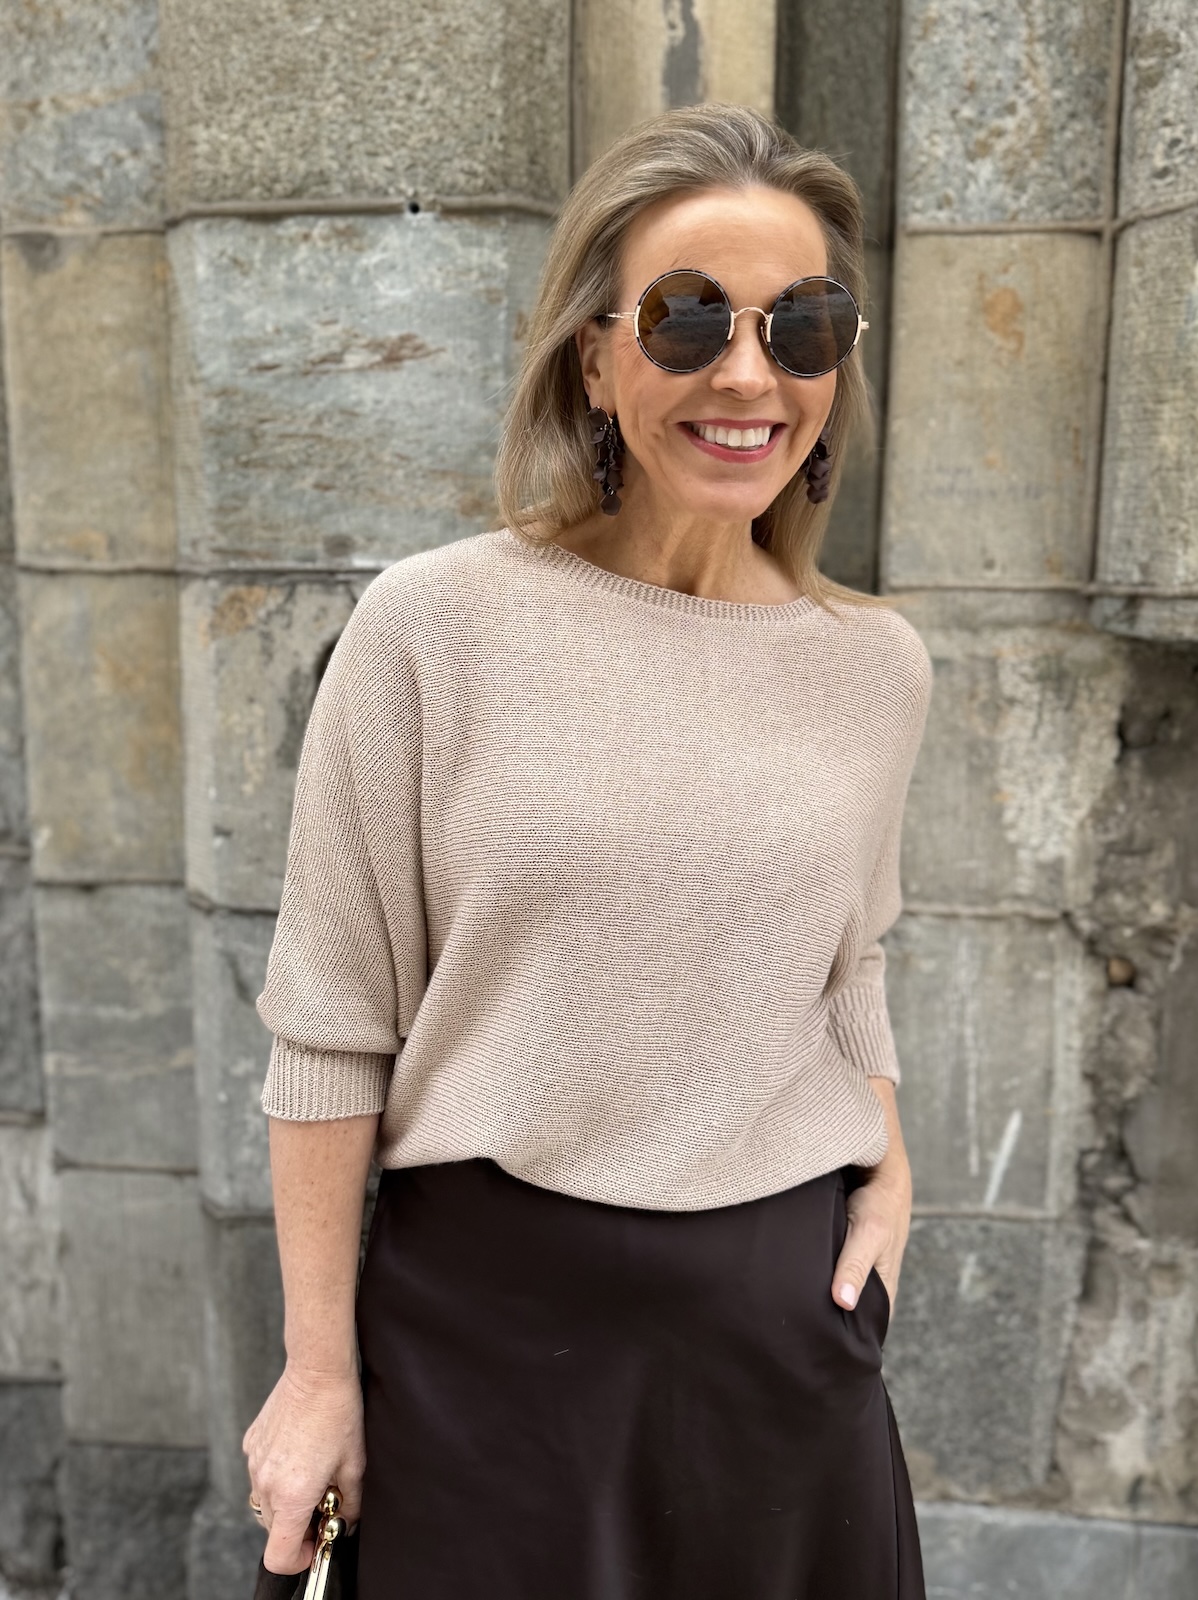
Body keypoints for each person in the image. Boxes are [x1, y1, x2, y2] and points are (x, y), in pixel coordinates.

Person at [243, 101, 932, 1600]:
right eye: (688, 320)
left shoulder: (874, 666)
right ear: (595, 360)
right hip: (479, 1350)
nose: (748, 374)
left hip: (777, 1355)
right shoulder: (433, 628)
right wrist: (316, 1372)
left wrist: (891, 1174)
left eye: (804, 325)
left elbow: (846, 964)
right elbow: (331, 1029)